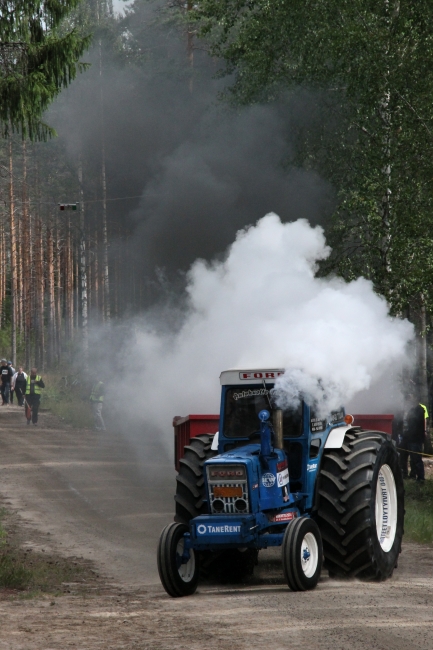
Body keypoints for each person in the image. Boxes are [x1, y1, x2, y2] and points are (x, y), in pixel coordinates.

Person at [400, 394, 427, 482]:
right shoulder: (411, 410)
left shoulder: (420, 410)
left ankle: (421, 478)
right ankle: (411, 475)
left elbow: (417, 425)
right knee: (409, 458)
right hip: (409, 438)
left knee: (417, 459)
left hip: (416, 438)